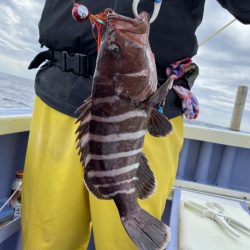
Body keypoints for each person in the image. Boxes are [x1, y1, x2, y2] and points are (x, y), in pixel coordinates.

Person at [22, 0, 250, 249]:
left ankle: (131, 213)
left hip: (150, 114)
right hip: (57, 98)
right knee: (45, 239)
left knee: (125, 244)